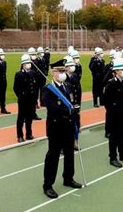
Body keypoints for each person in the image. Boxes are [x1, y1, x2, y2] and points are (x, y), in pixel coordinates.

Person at [42, 60, 82, 199]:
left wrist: (74, 112)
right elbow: (52, 107)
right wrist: (69, 111)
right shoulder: (48, 89)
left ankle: (68, 178)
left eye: (64, 71)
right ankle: (48, 185)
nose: (62, 74)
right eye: (59, 71)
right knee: (53, 156)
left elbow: (73, 102)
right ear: (53, 73)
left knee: (69, 153)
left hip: (69, 125)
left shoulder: (68, 86)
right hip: (56, 127)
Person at [104, 57, 123, 168]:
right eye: (121, 69)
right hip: (115, 114)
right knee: (114, 136)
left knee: (122, 135)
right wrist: (112, 112)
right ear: (116, 71)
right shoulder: (111, 83)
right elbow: (107, 101)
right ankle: (113, 157)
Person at [13, 54, 38, 143]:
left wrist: (35, 99)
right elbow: (15, 88)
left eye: (29, 62)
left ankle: (29, 134)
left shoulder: (33, 73)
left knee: (29, 117)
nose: (29, 64)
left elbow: (35, 87)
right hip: (23, 100)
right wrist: (21, 96)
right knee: (21, 118)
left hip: (31, 99)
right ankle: (20, 136)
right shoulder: (19, 74)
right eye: (27, 63)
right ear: (23, 64)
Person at [65, 56, 82, 150]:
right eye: (70, 65)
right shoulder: (63, 77)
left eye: (73, 65)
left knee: (76, 125)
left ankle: (75, 143)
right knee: (67, 126)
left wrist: (78, 104)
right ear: (66, 67)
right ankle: (64, 146)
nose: (72, 66)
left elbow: (78, 89)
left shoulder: (75, 75)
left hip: (75, 103)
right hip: (67, 105)